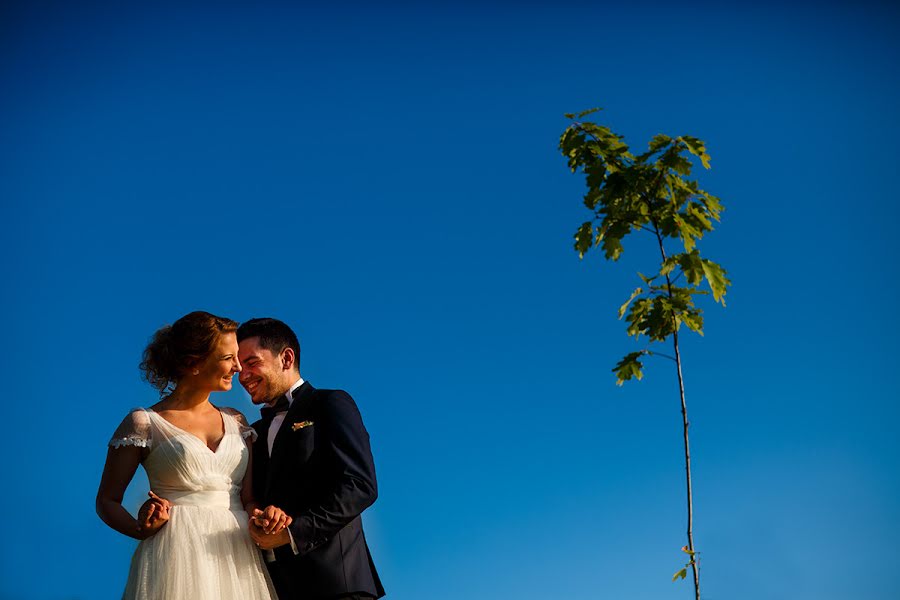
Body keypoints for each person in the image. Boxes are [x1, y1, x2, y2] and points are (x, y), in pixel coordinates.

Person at [96, 311, 289, 600]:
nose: (238, 367)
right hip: (175, 552)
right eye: (228, 358)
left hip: (236, 554)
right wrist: (140, 529)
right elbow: (106, 501)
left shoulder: (238, 421)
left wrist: (262, 518)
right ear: (193, 363)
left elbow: (247, 499)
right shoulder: (144, 422)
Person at [236, 317, 385, 600]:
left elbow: (360, 486)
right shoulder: (252, 432)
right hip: (274, 587)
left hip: (338, 585)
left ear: (286, 357)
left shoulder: (330, 403)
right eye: (239, 368)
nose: (243, 376)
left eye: (252, 362)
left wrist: (292, 533)